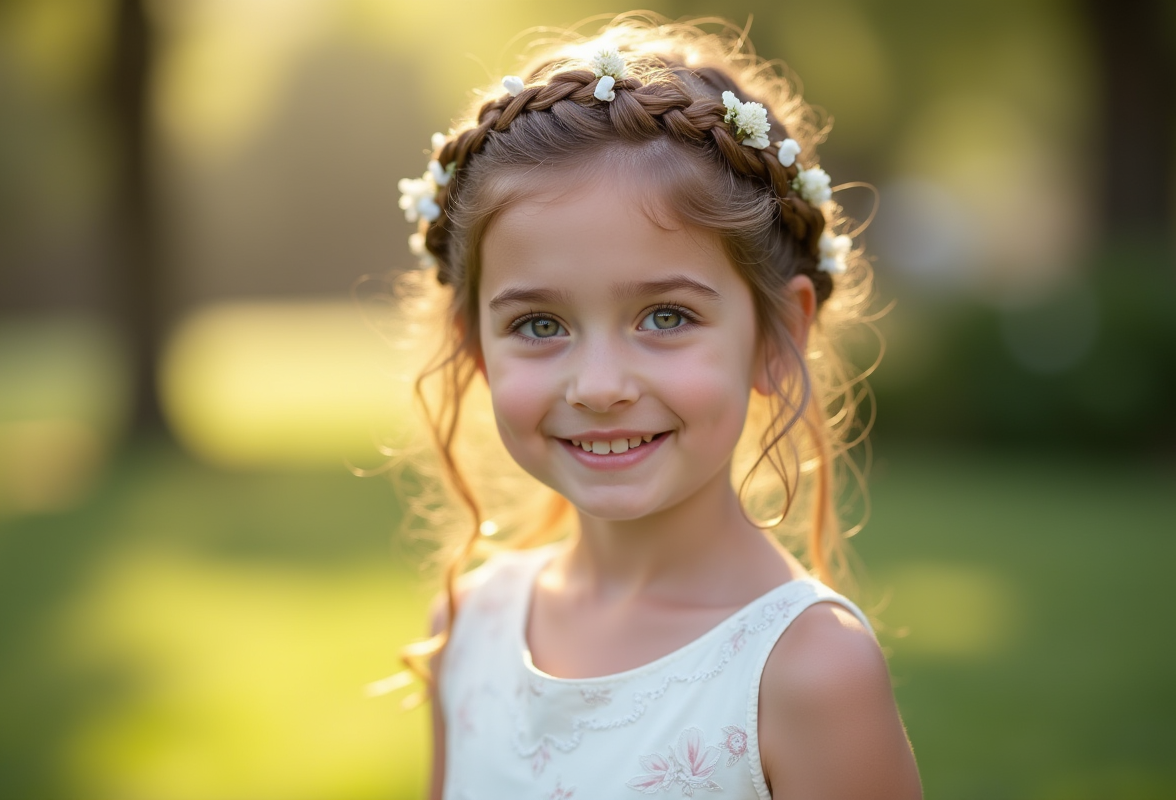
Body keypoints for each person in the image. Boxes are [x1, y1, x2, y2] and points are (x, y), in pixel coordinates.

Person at [392, 14, 921, 799]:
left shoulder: (806, 673)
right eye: (539, 325)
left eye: (666, 317)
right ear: (476, 348)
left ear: (779, 336)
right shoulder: (467, 629)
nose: (600, 386)